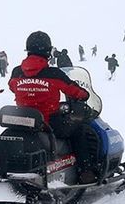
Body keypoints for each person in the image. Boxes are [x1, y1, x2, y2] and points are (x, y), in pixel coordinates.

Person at [9, 31, 96, 183]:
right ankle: (85, 171)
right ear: (48, 51)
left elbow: (12, 87)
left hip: (23, 123)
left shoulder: (17, 73)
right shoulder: (54, 74)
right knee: (79, 130)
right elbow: (78, 92)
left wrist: (29, 91)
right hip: (48, 123)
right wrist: (83, 95)